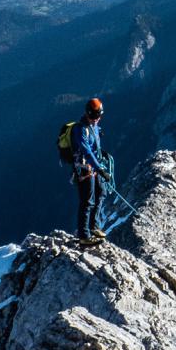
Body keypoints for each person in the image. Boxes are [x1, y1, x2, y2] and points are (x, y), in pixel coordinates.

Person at [71, 98, 107, 243]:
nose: (97, 119)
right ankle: (84, 236)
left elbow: (92, 148)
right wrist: (99, 168)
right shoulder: (80, 130)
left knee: (101, 192)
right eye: (95, 116)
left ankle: (93, 226)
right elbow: (86, 151)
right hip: (84, 169)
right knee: (87, 201)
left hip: (93, 165)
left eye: (98, 116)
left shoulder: (93, 126)